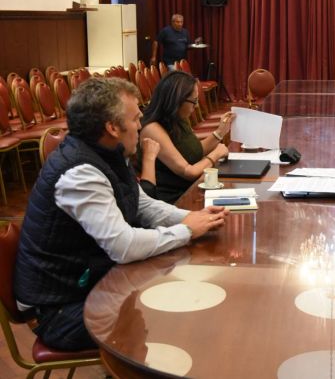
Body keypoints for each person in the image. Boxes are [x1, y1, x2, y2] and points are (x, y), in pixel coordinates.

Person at [14, 77, 228, 351]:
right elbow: (123, 246)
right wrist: (186, 230)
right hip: (61, 309)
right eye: (136, 118)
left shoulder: (108, 153)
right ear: (112, 127)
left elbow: (143, 205)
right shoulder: (79, 174)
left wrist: (193, 218)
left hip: (90, 283)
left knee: (179, 292)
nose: (141, 125)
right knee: (170, 317)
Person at [139, 71, 234, 204]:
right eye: (194, 101)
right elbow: (188, 172)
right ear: (177, 101)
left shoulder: (177, 117)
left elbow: (194, 151)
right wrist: (215, 155)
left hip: (192, 188)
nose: (197, 106)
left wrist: (220, 132)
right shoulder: (152, 129)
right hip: (174, 199)